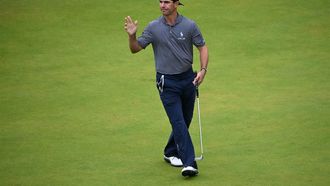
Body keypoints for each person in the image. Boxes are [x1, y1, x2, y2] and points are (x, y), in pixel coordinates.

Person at [124, 0, 208, 177]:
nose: (162, 5)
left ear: (176, 4)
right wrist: (132, 36)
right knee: (177, 121)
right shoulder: (153, 27)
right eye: (160, 1)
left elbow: (202, 47)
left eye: (167, 2)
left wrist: (202, 70)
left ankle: (170, 151)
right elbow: (135, 49)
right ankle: (189, 162)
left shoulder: (190, 25)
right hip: (166, 82)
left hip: (188, 80)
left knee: (185, 119)